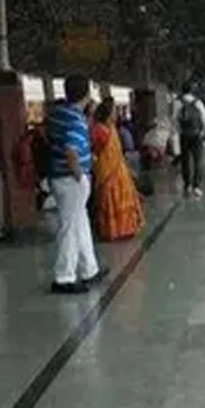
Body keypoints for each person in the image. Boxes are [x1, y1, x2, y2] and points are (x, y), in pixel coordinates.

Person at [47, 74, 106, 294]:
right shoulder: (74, 118)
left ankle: (89, 269)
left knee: (80, 224)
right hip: (70, 179)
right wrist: (80, 176)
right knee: (69, 228)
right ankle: (64, 277)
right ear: (87, 94)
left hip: (60, 176)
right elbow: (71, 150)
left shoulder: (58, 113)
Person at [90, 98, 144, 241]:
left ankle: (125, 229)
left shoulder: (111, 128)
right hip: (108, 172)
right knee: (110, 199)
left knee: (121, 198)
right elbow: (95, 151)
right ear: (108, 113)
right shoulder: (99, 130)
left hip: (119, 171)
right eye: (114, 111)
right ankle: (113, 231)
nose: (116, 114)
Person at [173, 85, 205, 199]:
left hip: (184, 135)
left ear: (182, 91)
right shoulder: (198, 102)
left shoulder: (178, 103)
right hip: (197, 135)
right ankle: (197, 186)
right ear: (192, 91)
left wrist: (179, 132)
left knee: (185, 161)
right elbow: (204, 118)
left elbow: (174, 119)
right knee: (198, 160)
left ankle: (187, 185)